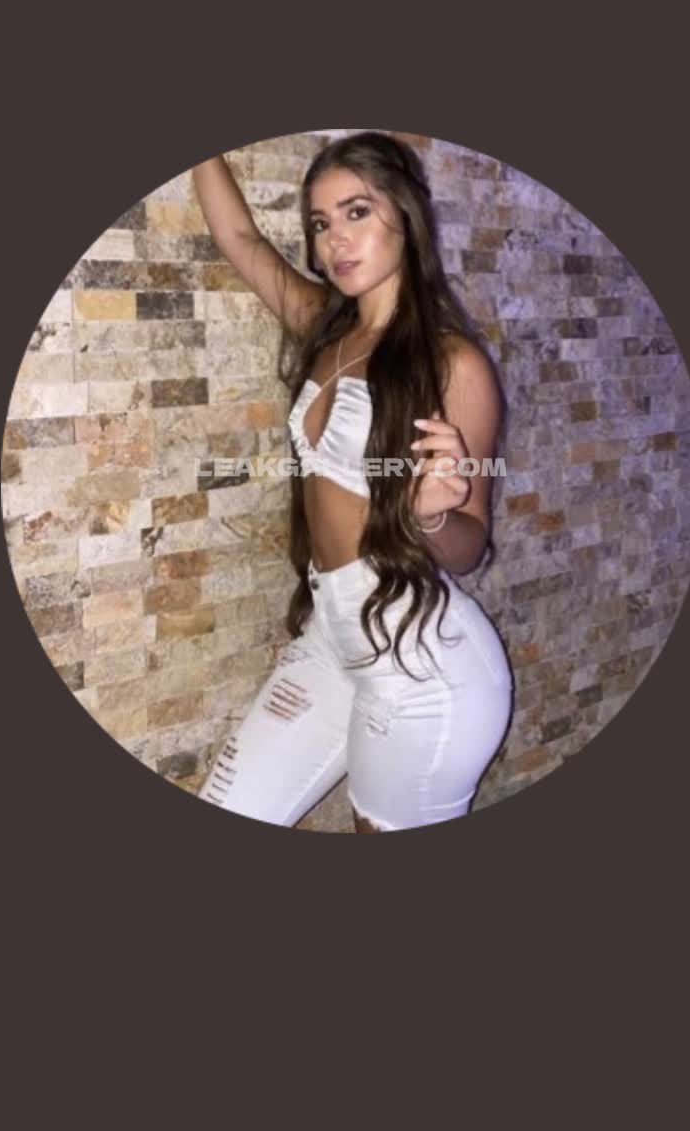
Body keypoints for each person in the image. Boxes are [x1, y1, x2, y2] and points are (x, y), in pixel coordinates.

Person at [193, 131, 513, 831]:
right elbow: (239, 237)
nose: (334, 239)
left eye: (357, 212)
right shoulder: (324, 329)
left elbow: (469, 547)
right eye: (320, 223)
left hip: (422, 665)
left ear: (406, 215)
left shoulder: (452, 364)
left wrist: (431, 516)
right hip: (332, 638)